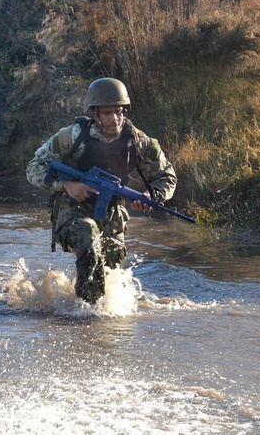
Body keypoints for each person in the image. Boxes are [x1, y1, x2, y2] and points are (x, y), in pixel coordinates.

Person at [25, 78, 178, 304]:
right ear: (95, 113)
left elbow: (167, 176)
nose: (114, 118)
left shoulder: (138, 141)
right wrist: (67, 185)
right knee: (88, 242)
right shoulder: (72, 137)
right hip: (72, 209)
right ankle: (85, 312)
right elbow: (33, 168)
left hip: (111, 213)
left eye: (119, 112)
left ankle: (102, 310)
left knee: (112, 267)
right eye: (107, 113)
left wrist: (152, 195)